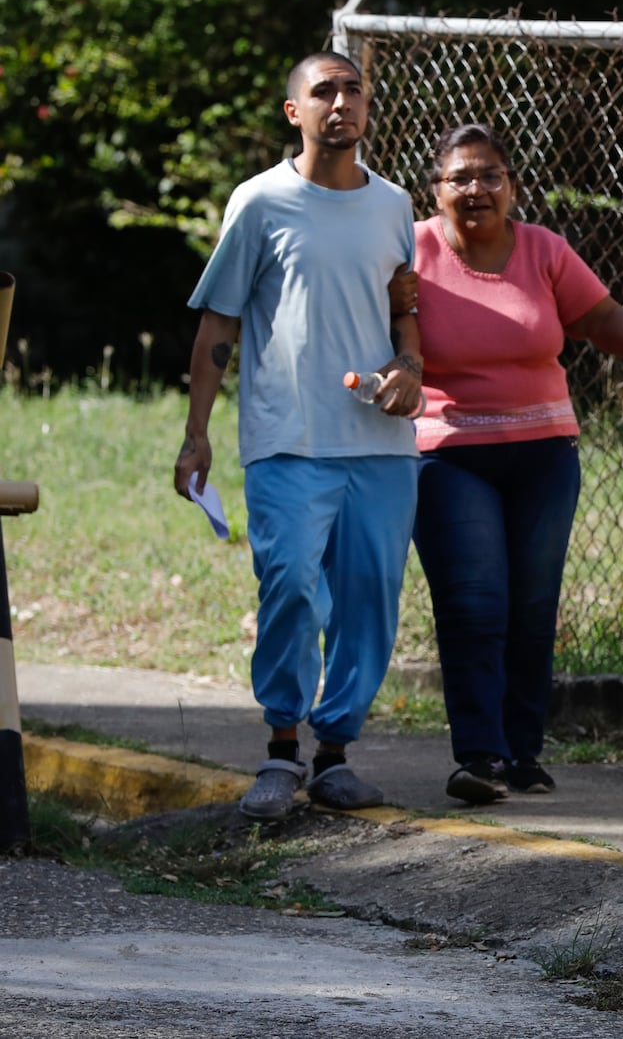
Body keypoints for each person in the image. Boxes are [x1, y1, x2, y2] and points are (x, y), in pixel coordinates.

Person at [388, 124, 623, 805]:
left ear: (513, 186)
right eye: (460, 177)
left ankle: (523, 751)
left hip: (545, 453)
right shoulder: (411, 250)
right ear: (435, 190)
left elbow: (599, 314)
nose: (477, 189)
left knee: (532, 604)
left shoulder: (543, 249)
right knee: (475, 599)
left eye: (491, 175)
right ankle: (479, 754)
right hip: (450, 453)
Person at [174, 51, 422, 821]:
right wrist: (196, 435)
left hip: (380, 445)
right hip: (287, 435)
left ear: (368, 106)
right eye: (323, 92)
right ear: (295, 112)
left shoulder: (394, 205)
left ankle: (335, 753)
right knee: (288, 587)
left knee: (369, 600)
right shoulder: (260, 201)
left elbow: (404, 308)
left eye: (352, 90)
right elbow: (219, 321)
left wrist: (409, 365)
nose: (340, 103)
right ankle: (279, 751)